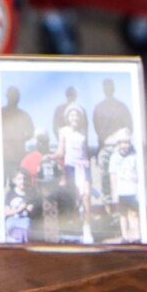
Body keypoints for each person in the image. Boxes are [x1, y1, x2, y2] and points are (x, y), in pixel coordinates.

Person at [54, 103, 94, 243]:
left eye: (77, 114)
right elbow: (60, 150)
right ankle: (73, 227)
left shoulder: (84, 131)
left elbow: (87, 150)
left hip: (83, 166)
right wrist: (52, 157)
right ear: (68, 117)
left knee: (86, 197)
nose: (74, 117)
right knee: (73, 197)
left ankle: (87, 227)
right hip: (70, 166)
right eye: (72, 114)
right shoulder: (63, 131)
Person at [111, 134, 143, 241]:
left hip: (133, 190)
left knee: (134, 214)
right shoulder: (114, 157)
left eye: (127, 143)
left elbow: (139, 174)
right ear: (119, 144)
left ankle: (136, 235)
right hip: (121, 191)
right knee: (123, 214)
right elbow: (113, 176)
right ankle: (125, 236)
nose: (125, 145)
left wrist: (139, 190)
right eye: (123, 143)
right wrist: (114, 193)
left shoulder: (135, 156)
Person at [1, 85, 35, 170]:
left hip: (18, 156)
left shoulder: (24, 115)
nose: (14, 98)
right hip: (2, 155)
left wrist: (19, 139)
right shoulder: (0, 113)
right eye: (12, 95)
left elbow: (31, 132)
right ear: (7, 96)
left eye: (16, 96)